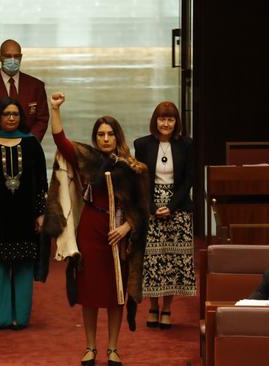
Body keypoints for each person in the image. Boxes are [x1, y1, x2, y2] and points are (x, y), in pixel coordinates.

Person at [46, 92, 149, 366]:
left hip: (119, 237)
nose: (105, 139)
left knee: (116, 294)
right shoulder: (88, 159)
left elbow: (142, 209)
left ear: (118, 137)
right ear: (95, 138)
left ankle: (113, 348)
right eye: (100, 134)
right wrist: (54, 109)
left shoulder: (131, 168)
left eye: (110, 134)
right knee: (90, 293)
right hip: (90, 231)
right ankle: (90, 347)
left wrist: (127, 226)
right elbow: (61, 141)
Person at [0, 97, 48, 331]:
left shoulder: (32, 144)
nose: (12, 117)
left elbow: (42, 182)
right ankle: (0, 318)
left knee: (23, 268)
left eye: (15, 114)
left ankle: (20, 318)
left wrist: (41, 213)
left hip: (25, 217)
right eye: (7, 114)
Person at [133, 101, 196, 330]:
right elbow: (140, 179)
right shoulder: (142, 144)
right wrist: (150, 207)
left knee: (172, 261)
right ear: (155, 121)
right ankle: (152, 307)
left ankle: (167, 308)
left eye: (170, 119)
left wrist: (170, 205)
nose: (166, 123)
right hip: (151, 205)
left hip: (177, 207)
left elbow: (189, 179)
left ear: (176, 122)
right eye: (162, 119)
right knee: (152, 260)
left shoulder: (186, 145)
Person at [0, 39, 49, 141]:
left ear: (21, 57)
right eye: (8, 56)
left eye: (16, 56)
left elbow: (42, 119)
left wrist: (29, 141)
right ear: (0, 57)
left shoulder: (36, 86)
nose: (13, 60)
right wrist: (3, 142)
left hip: (28, 148)